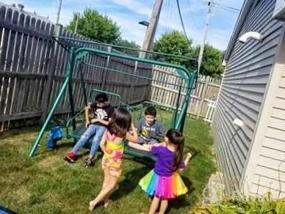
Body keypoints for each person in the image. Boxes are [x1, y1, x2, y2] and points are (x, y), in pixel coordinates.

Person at [128, 129, 192, 214]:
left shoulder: (161, 150)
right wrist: (187, 158)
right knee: (165, 198)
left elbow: (151, 148)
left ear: (166, 139)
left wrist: (131, 143)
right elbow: (181, 169)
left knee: (157, 197)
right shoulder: (178, 154)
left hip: (158, 177)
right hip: (169, 179)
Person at [89, 107, 137, 211]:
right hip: (115, 162)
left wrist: (107, 153)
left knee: (106, 181)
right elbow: (136, 139)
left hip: (106, 158)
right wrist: (133, 125)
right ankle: (95, 201)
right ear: (125, 122)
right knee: (112, 184)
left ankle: (105, 200)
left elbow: (101, 144)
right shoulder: (123, 134)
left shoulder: (109, 128)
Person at [64, 92, 113, 166]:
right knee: (84, 136)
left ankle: (90, 158)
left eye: (99, 104)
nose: (97, 105)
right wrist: (87, 120)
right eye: (97, 103)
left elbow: (109, 123)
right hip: (93, 124)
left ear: (105, 102)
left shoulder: (110, 109)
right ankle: (72, 153)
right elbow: (87, 108)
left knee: (96, 139)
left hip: (103, 126)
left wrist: (98, 120)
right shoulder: (97, 103)